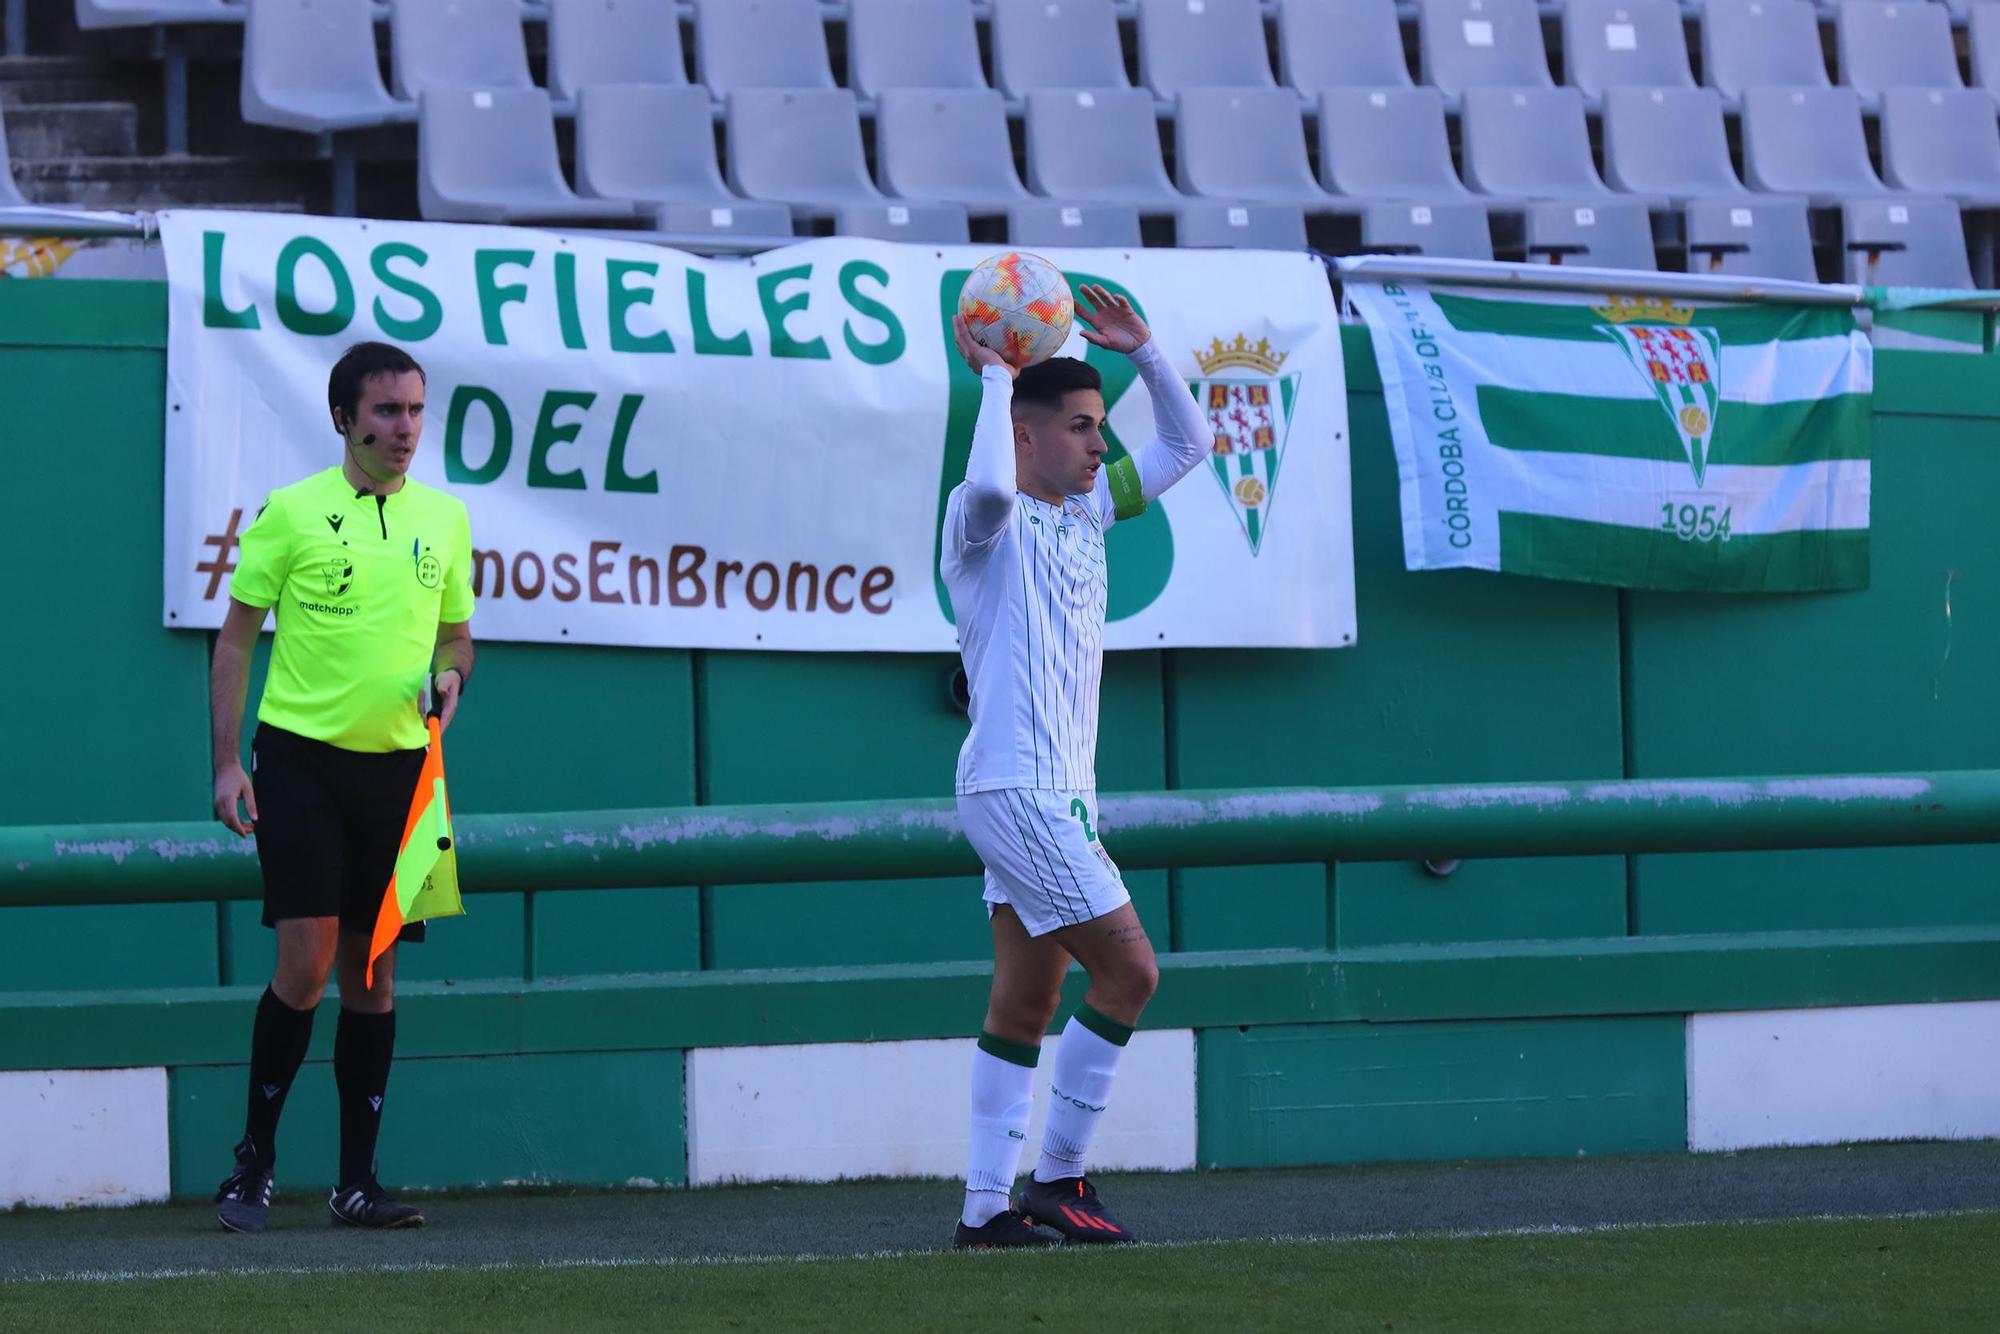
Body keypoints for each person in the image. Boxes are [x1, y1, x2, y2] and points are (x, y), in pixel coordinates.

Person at [941, 285, 1212, 1248]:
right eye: (1083, 427)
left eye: (1102, 427)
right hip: (1017, 790)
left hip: (1055, 795)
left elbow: (1189, 448)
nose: (1102, 445)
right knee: (1132, 971)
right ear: (1025, 436)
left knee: (1027, 994)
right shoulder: (985, 523)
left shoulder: (1086, 510)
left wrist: (1145, 352)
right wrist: (993, 377)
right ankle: (1059, 1177)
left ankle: (984, 1209)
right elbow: (982, 488)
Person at [208, 340, 475, 1233]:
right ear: (343, 419)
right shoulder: (290, 513)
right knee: (306, 963)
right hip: (300, 765)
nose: (404, 430)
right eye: (386, 412)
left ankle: (356, 1185)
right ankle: (254, 1164)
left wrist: (452, 676)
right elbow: (237, 640)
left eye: (414, 411)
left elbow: (456, 640)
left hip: (400, 772)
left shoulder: (445, 520)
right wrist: (225, 761)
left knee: (375, 972)